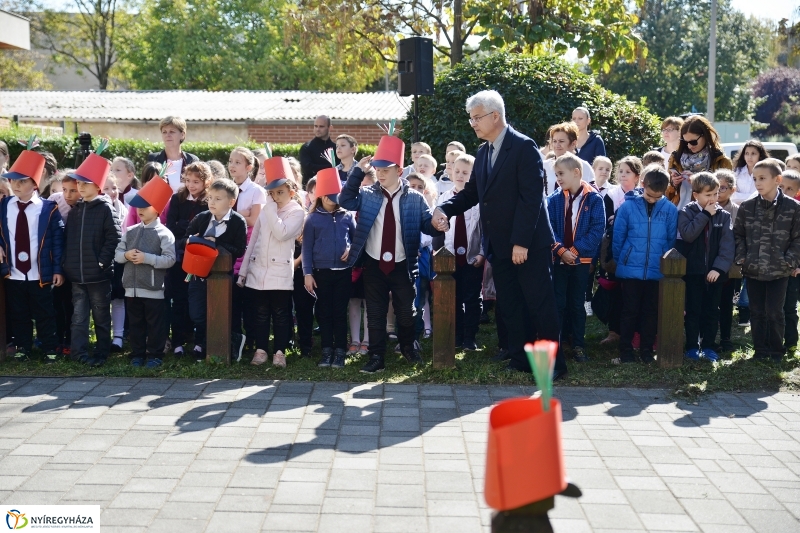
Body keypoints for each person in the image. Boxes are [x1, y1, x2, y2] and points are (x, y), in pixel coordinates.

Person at [433, 90, 566, 378]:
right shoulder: (482, 152)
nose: (473, 124)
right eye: (471, 119)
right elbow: (472, 193)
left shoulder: (523, 147)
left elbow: (531, 199)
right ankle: (519, 357)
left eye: (477, 118)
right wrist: (444, 208)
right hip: (500, 245)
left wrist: (521, 242)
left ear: (495, 116)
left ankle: (552, 364)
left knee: (539, 303)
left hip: (528, 243)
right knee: (511, 305)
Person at [340, 133, 440, 374]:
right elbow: (345, 199)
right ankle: (376, 356)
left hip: (403, 264)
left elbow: (427, 224)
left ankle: (407, 346)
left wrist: (438, 222)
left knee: (407, 312)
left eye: (386, 169)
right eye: (378, 168)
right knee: (375, 313)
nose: (381, 173)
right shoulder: (367, 194)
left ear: (400, 170)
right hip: (374, 264)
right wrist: (357, 172)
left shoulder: (415, 198)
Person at [238, 160, 305, 368]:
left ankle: (279, 351)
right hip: (259, 269)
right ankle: (261, 350)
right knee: (260, 313)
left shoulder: (296, 212)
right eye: (273, 192)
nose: (276, 197)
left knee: (281, 313)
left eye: (280, 192)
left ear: (291, 192)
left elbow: (282, 233)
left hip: (279, 272)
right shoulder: (268, 210)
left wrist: (270, 210)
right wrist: (244, 271)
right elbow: (254, 240)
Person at [0, 148, 64, 362]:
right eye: (13, 181)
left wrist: (57, 269)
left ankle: (49, 348)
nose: (16, 185)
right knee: (19, 313)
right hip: (15, 273)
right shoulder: (4, 206)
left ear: (35, 184)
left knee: (45, 312)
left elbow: (57, 241)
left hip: (40, 272)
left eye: (22, 181)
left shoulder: (48, 208)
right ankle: (23, 347)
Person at [734, 159, 800, 361]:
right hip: (753, 269)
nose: (758, 183)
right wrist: (743, 257)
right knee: (756, 311)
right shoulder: (747, 207)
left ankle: (776, 351)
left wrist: (789, 261)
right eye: (755, 178)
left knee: (774, 311)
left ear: (777, 179)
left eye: (762, 178)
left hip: (779, 270)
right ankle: (760, 351)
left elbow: (798, 238)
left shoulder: (793, 207)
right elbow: (738, 235)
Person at [612, 165, 678, 364]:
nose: (652, 200)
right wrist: (621, 260)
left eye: (658, 197)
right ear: (643, 185)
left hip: (656, 271)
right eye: (649, 195)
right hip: (631, 269)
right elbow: (618, 238)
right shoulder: (627, 207)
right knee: (629, 311)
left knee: (651, 312)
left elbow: (670, 240)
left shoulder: (670, 210)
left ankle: (647, 351)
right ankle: (626, 351)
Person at [63, 150, 122, 367]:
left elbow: (114, 238)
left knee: (100, 317)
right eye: (79, 183)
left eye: (85, 183)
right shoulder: (75, 210)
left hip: (98, 276)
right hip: (77, 276)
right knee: (78, 317)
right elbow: (68, 239)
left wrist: (102, 262)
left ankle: (101, 353)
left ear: (97, 186)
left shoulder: (106, 209)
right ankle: (78, 353)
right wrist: (68, 264)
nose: (80, 187)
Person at [547, 153, 605, 362]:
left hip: (582, 262)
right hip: (559, 260)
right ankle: (559, 345)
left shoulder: (594, 198)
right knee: (558, 303)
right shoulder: (553, 199)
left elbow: (598, 229)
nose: (558, 178)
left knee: (577, 303)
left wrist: (576, 251)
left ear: (576, 173)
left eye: (561, 174)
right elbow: (548, 229)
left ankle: (579, 345)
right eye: (556, 174)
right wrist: (561, 251)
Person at [115, 177, 176, 368]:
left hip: (153, 289)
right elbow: (117, 255)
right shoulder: (130, 231)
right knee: (136, 324)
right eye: (138, 207)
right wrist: (126, 254)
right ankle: (137, 353)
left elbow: (170, 259)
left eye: (145, 206)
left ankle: (155, 354)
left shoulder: (164, 234)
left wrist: (146, 258)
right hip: (131, 289)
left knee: (155, 325)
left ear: (157, 208)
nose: (140, 210)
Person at [184, 179, 247, 362]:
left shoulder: (237, 221)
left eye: (218, 198)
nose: (212, 202)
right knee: (197, 313)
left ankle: (217, 345)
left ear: (231, 202)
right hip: (198, 274)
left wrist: (216, 244)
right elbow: (183, 240)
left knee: (220, 312)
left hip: (222, 276)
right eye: (210, 197)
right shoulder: (201, 218)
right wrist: (192, 240)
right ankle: (207, 340)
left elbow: (239, 249)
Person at [677, 172, 734, 361]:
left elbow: (727, 246)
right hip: (693, 272)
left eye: (716, 194)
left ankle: (709, 346)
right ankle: (692, 346)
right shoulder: (686, 212)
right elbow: (688, 235)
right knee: (693, 311)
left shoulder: (724, 217)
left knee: (711, 311)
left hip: (715, 274)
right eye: (708, 195)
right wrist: (704, 215)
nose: (713, 199)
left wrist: (718, 269)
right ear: (696, 195)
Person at [302, 169, 355, 368]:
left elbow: (356, 239)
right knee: (324, 312)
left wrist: (350, 249)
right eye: (331, 197)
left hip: (343, 273)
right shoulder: (312, 219)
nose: (335, 200)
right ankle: (326, 350)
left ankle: (340, 350)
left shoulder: (347, 216)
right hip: (320, 273)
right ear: (321, 195)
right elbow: (306, 248)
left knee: (340, 312)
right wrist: (308, 273)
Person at [438, 153, 484, 351]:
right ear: (450, 171)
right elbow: (438, 230)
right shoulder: (444, 199)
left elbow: (484, 230)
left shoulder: (479, 200)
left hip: (472, 258)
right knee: (453, 297)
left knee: (472, 298)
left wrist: (482, 253)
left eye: (466, 172)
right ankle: (455, 335)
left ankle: (469, 337)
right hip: (449, 258)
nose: (460, 175)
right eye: (457, 171)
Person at [166, 161, 212, 357]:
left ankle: (199, 341)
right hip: (179, 257)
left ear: (206, 182)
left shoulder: (208, 201)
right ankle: (177, 341)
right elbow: (171, 225)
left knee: (198, 301)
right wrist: (187, 228)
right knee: (179, 300)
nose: (191, 185)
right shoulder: (177, 199)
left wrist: (184, 226)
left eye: (196, 181)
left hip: (198, 258)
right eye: (188, 180)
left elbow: (204, 228)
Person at [228, 147, 266, 342]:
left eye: (237, 162)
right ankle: (234, 339)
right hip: (230, 251)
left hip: (250, 250)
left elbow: (254, 220)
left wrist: (229, 212)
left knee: (250, 300)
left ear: (249, 167)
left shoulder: (256, 191)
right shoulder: (226, 188)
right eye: (230, 161)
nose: (232, 166)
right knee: (232, 299)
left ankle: (252, 339)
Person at [667, 115, 732, 210]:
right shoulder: (675, 158)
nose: (689, 146)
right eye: (685, 142)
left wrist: (698, 181)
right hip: (680, 211)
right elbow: (667, 193)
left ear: (705, 136)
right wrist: (673, 183)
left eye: (693, 142)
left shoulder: (721, 160)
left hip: (710, 212)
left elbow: (725, 191)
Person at [48, 172, 80, 356]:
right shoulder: (55, 200)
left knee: (73, 305)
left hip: (76, 262)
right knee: (57, 303)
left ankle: (70, 339)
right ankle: (58, 339)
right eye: (65, 190)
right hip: (58, 261)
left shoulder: (85, 205)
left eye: (73, 191)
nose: (67, 195)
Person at [714, 169, 741, 352]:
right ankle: (706, 337)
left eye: (723, 187)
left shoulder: (738, 211)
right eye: (716, 187)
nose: (718, 192)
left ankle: (725, 338)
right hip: (708, 266)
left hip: (729, 267)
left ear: (732, 190)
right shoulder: (705, 207)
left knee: (726, 304)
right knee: (708, 304)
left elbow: (739, 239)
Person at [103, 174, 129, 353]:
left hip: (119, 261)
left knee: (119, 299)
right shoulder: (95, 209)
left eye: (114, 188)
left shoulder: (125, 211)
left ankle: (118, 337)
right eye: (106, 188)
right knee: (101, 300)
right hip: (101, 261)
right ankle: (103, 336)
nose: (111, 192)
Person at [146, 116, 200, 193]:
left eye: (172, 131)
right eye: (164, 132)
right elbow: (147, 187)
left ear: (182, 135)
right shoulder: (153, 159)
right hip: (161, 204)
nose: (167, 135)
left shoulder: (192, 160)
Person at [543, 122, 595, 195]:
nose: (557, 145)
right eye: (554, 141)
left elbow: (592, 195)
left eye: (561, 141)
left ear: (573, 143)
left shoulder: (584, 166)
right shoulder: (543, 166)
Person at [781, 169, 800, 350]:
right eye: (781, 187)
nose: (784, 191)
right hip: (774, 267)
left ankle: (792, 341)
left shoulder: (797, 211)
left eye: (789, 189)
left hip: (793, 269)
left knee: (789, 307)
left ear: (796, 192)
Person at [299, 115, 336, 184]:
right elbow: (308, 169)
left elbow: (342, 167)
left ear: (330, 128)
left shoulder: (336, 148)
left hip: (332, 187)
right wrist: (331, 168)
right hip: (312, 189)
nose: (317, 129)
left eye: (321, 126)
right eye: (315, 126)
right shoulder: (306, 147)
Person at [730, 140, 770, 205]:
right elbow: (732, 195)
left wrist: (741, 197)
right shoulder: (736, 172)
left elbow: (763, 195)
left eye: (753, 153)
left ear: (760, 155)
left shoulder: (766, 174)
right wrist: (752, 197)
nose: (749, 157)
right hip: (738, 210)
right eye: (747, 153)